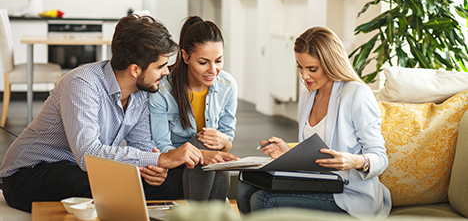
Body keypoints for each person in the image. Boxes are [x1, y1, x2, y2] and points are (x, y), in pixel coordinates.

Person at [0, 14, 203, 213]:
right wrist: (160, 160)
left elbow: (142, 147)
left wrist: (153, 169)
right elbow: (88, 155)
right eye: (160, 66)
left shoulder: (141, 92)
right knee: (109, 187)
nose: (166, 72)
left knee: (166, 185)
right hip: (29, 173)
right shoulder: (82, 83)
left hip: (78, 169)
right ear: (135, 70)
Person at [237, 27, 391, 219]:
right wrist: (288, 151)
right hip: (318, 184)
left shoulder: (356, 94)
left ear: (331, 64)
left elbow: (380, 158)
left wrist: (355, 161)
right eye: (300, 67)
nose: (304, 76)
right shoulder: (308, 97)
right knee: (245, 188)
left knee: (264, 200)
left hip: (350, 194)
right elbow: (315, 152)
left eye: (312, 69)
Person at [149, 16, 239, 201]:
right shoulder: (163, 90)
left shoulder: (227, 85)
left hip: (209, 166)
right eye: (203, 62)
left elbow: (227, 141)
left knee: (213, 152)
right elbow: (162, 146)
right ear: (185, 56)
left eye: (219, 61)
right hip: (176, 164)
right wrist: (201, 154)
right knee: (200, 143)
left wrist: (223, 141)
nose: (213, 70)